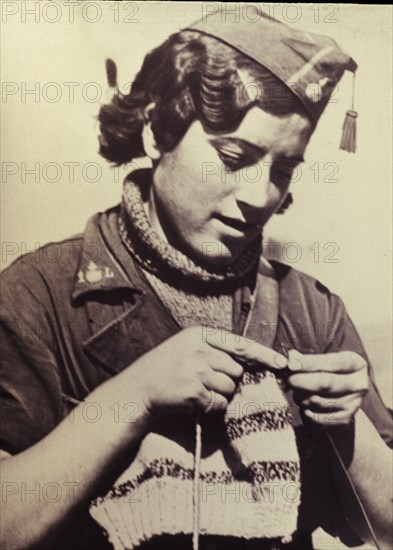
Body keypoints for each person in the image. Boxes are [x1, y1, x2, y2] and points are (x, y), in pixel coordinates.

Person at [0, 7, 392, 550]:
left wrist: (352, 428)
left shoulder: (312, 311)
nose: (261, 197)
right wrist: (135, 395)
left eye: (283, 170)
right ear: (158, 131)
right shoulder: (37, 294)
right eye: (234, 156)